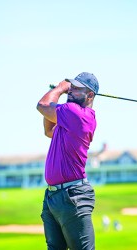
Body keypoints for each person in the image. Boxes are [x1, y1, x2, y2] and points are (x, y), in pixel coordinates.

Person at [37, 72, 99, 250]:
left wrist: (60, 88)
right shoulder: (69, 117)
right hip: (53, 197)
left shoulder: (78, 115)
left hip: (73, 196)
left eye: (76, 89)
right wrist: (60, 97)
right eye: (70, 86)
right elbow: (49, 130)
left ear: (90, 95)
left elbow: (42, 105)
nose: (71, 90)